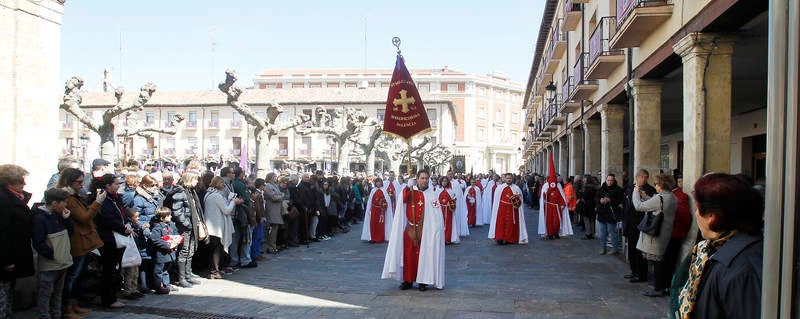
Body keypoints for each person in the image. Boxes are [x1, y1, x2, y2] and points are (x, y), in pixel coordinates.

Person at [675, 173, 763, 318]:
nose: (696, 214)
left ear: (711, 216)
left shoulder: (740, 270)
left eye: (697, 208)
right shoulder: (713, 250)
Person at [382, 170, 445, 291]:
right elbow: (403, 199)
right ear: (417, 178)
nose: (425, 180)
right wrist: (407, 187)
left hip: (425, 231)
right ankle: (408, 280)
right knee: (409, 256)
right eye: (422, 178)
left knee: (424, 256)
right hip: (411, 229)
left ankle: (423, 281)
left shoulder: (432, 194)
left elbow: (436, 215)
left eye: (427, 178)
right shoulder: (410, 191)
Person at [56, 168, 104, 316]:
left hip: (82, 239)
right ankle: (67, 308)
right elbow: (83, 217)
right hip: (76, 241)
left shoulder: (74, 196)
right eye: (79, 182)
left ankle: (73, 304)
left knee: (77, 275)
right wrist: (97, 202)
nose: (82, 185)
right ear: (69, 182)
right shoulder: (68, 198)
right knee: (72, 276)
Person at [31, 188, 74, 319]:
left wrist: (67, 219)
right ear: (54, 203)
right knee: (46, 292)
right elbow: (38, 242)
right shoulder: (39, 218)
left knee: (57, 292)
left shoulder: (59, 215)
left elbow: (70, 232)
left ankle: (56, 314)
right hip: (51, 263)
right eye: (63, 202)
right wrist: (51, 254)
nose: (65, 205)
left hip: (62, 261)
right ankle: (44, 315)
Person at [632, 174, 677, 297]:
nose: (655, 186)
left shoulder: (661, 197)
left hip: (656, 234)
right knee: (661, 262)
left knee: (656, 263)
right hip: (666, 232)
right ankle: (662, 286)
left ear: (661, 185)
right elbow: (657, 206)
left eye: (656, 184)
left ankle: (657, 288)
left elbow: (639, 206)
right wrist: (646, 197)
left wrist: (636, 193)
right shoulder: (672, 196)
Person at [91, 174, 130, 309]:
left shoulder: (114, 198)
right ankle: (108, 299)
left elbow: (120, 215)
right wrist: (122, 228)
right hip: (107, 239)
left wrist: (126, 224)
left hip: (114, 237)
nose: (118, 186)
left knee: (113, 269)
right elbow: (107, 219)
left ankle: (112, 296)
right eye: (116, 184)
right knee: (109, 269)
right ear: (108, 186)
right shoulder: (103, 200)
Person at [168, 170, 205, 287]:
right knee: (184, 251)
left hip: (193, 224)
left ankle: (188, 275)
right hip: (185, 227)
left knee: (190, 250)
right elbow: (177, 212)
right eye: (195, 179)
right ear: (189, 179)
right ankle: (181, 278)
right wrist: (187, 224)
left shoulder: (191, 192)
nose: (197, 181)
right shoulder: (181, 192)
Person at [203, 176, 243, 279]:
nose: (224, 186)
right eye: (222, 184)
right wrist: (233, 202)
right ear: (217, 184)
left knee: (215, 249)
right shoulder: (216, 196)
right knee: (216, 250)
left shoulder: (208, 194)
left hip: (212, 225)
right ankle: (214, 271)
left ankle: (215, 269)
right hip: (216, 226)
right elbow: (226, 210)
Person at [624, 169, 656, 282]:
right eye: (641, 177)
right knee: (632, 249)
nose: (643, 179)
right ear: (637, 177)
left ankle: (641, 273)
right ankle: (633, 271)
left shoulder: (650, 190)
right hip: (630, 222)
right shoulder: (629, 188)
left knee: (640, 251)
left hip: (641, 223)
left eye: (645, 177)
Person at [489, 173, 529, 244]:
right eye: (507, 178)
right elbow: (496, 201)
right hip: (502, 209)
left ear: (512, 179)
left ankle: (509, 239)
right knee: (501, 224)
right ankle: (500, 238)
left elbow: (520, 201)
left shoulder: (516, 188)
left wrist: (517, 198)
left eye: (510, 178)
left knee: (511, 225)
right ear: (504, 179)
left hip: (512, 209)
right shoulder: (500, 188)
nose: (509, 179)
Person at [149, 207, 179, 294]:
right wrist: (167, 245)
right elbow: (155, 239)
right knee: (158, 271)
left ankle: (166, 284)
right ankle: (158, 287)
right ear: (162, 218)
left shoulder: (171, 225)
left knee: (166, 270)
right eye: (168, 216)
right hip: (161, 253)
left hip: (169, 253)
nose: (171, 217)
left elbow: (175, 233)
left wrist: (176, 239)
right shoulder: (157, 228)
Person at [595, 174, 624, 255]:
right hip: (602, 213)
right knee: (602, 233)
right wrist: (600, 200)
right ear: (606, 180)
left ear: (614, 180)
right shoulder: (601, 188)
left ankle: (615, 248)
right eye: (608, 180)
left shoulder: (618, 189)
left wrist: (610, 200)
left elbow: (620, 200)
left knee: (612, 232)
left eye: (611, 180)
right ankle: (603, 248)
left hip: (611, 214)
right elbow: (596, 198)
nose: (610, 182)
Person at [361, 177, 391, 243]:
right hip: (374, 210)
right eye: (377, 182)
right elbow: (370, 201)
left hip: (381, 211)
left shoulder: (384, 191)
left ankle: (380, 238)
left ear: (381, 183)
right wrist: (369, 210)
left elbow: (387, 201)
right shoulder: (373, 190)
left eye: (379, 182)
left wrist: (384, 205)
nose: (378, 183)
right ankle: (373, 238)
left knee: (380, 225)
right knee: (373, 224)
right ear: (375, 183)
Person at [262, 173, 284, 254]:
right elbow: (273, 197)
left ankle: (273, 246)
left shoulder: (275, 185)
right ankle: (271, 246)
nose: (275, 178)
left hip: (276, 209)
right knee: (272, 229)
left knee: (275, 228)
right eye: (274, 177)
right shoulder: (268, 185)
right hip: (271, 209)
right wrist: (281, 196)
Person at [439, 177, 460, 244]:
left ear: (447, 182)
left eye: (445, 181)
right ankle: (441, 239)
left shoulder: (450, 191)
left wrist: (450, 204)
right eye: (443, 181)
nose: (444, 182)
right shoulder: (438, 190)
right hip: (440, 210)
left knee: (448, 224)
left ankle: (447, 239)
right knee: (440, 225)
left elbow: (454, 200)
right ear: (441, 182)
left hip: (448, 211)